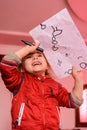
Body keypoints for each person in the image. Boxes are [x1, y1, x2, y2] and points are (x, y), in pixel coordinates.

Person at [0, 41, 83, 130]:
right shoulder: (19, 80)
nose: (35, 58)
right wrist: (28, 49)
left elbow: (75, 102)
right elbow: (6, 64)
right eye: (29, 57)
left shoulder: (55, 85)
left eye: (39, 55)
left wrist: (78, 79)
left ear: (47, 65)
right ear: (23, 66)